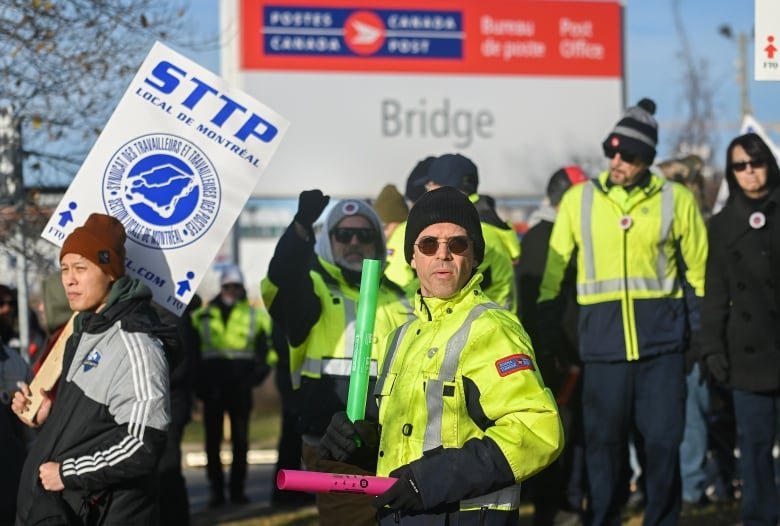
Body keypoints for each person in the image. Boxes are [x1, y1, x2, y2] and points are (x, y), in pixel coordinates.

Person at [318, 186, 562, 524]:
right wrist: (361, 444)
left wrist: (430, 480)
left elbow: (538, 430)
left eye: (457, 244)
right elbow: (405, 441)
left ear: (475, 256)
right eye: (429, 244)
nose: (443, 254)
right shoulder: (399, 337)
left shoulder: (492, 329)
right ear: (412, 257)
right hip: (402, 516)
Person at [538, 98, 708, 525]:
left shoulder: (678, 200)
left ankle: (662, 519)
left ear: (647, 159)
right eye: (611, 150)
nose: (617, 160)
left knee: (663, 445)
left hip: (663, 350)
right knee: (603, 447)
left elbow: (700, 276)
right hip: (603, 351)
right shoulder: (580, 201)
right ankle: (602, 519)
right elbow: (553, 276)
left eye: (628, 155)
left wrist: (698, 340)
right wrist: (552, 335)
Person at [261, 190, 413, 525]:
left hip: (396, 441)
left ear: (378, 241)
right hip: (335, 443)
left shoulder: (402, 297)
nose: (354, 242)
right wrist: (301, 227)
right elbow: (282, 278)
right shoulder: (312, 289)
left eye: (365, 234)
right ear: (328, 241)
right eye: (343, 235)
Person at [12, 213, 171, 525]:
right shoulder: (84, 334)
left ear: (111, 273)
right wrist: (51, 418)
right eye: (65, 269)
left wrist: (69, 474)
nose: (69, 279)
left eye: (81, 268)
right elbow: (95, 429)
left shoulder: (135, 344)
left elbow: (142, 444)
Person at [695, 132, 780, 526]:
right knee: (756, 446)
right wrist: (711, 347)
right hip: (748, 356)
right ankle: (760, 517)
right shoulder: (722, 224)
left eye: (756, 163)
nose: (749, 172)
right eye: (740, 166)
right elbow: (715, 291)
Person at [518, 166, 588, 524]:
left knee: (574, 434)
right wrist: (553, 353)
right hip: (554, 359)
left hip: (571, 353)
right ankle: (550, 509)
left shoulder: (567, 233)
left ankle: (567, 503)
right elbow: (535, 302)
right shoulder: (541, 237)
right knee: (554, 437)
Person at [192, 265, 272, 507]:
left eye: (236, 287)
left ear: (242, 289)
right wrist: (199, 385)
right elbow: (192, 353)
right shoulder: (201, 316)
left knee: (240, 440)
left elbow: (267, 351)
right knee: (212, 441)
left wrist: (256, 377)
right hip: (212, 386)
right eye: (228, 286)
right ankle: (216, 492)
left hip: (240, 386)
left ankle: (237, 491)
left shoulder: (254, 315)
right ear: (221, 287)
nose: (231, 291)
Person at [423, 153, 519, 312]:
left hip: (481, 327)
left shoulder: (471, 230)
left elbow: (443, 286)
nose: (427, 193)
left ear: (444, 189)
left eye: (431, 186)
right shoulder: (482, 223)